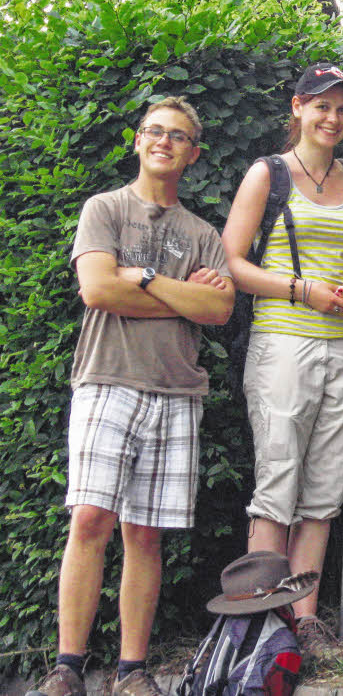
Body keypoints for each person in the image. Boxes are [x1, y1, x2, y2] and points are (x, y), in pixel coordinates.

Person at [28, 97, 235, 696]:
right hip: (105, 381)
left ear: (192, 154)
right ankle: (67, 667)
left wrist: (140, 278)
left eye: (177, 136)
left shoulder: (203, 233)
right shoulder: (105, 209)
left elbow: (219, 309)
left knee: (144, 534)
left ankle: (131, 672)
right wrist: (176, 293)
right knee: (90, 519)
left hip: (177, 391)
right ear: (138, 141)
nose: (163, 141)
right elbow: (96, 289)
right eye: (154, 131)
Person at [221, 64, 343, 655]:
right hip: (284, 340)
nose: (333, 118)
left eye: (342, 109)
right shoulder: (268, 173)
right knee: (278, 483)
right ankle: (261, 623)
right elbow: (234, 262)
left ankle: (302, 621)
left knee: (325, 490)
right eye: (322, 107)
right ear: (298, 108)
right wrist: (299, 290)